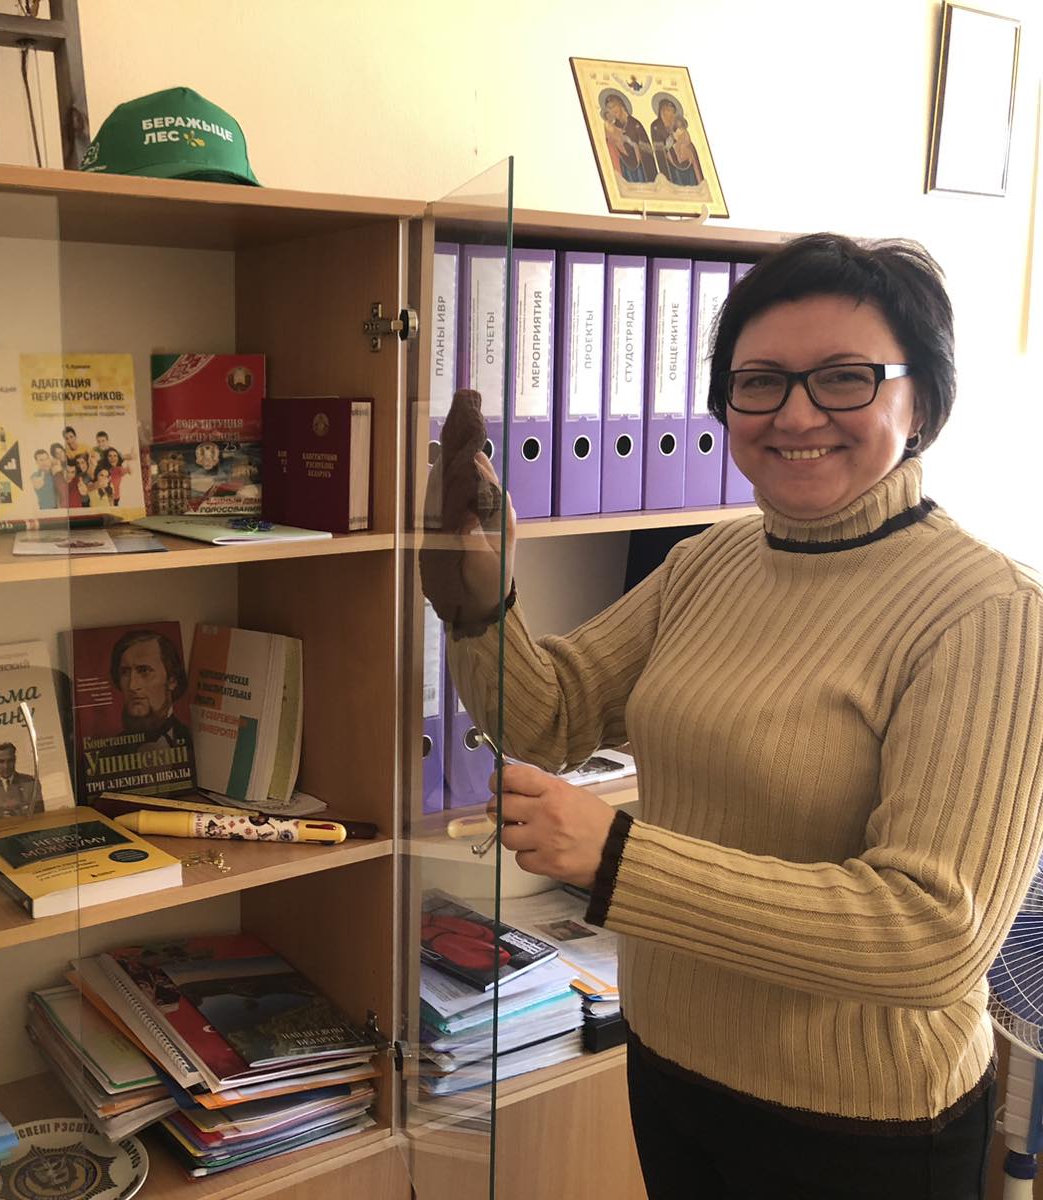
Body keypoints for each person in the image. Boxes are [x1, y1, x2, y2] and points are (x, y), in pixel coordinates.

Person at [422, 233, 1043, 1199]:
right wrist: (480, 603)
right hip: (673, 1066)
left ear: (921, 401)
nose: (795, 413)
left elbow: (932, 934)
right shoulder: (708, 562)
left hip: (861, 1128)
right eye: (759, 382)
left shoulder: (989, 611)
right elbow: (551, 718)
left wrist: (619, 860)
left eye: (844, 378)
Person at [109, 628, 191, 751]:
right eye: (125, 672)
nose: (132, 686)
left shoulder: (193, 740)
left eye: (144, 671)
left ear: (172, 680)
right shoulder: (108, 752)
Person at [601, 92, 657, 184]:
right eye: (609, 108)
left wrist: (635, 145)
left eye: (614, 106)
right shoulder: (614, 127)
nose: (612, 110)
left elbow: (646, 148)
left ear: (621, 105)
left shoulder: (635, 124)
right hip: (625, 166)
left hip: (640, 167)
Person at [0, 742, 43, 820]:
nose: (6, 766)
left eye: (10, 761)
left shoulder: (31, 783)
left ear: (15, 759)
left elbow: (40, 813)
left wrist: (17, 813)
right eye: (1, 761)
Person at [651, 95, 702, 187]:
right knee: (676, 182)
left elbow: (685, 137)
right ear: (662, 111)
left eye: (672, 111)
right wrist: (671, 141)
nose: (671, 114)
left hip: (684, 157)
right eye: (668, 110)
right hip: (669, 160)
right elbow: (659, 147)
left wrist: (683, 142)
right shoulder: (656, 126)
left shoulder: (676, 123)